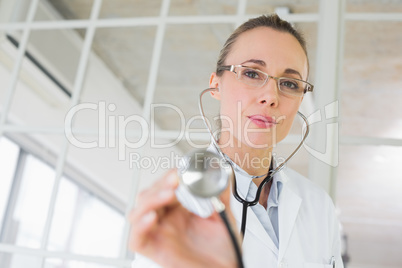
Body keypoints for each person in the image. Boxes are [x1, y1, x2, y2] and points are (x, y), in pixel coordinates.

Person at [129, 14, 344, 268]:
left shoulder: (319, 205)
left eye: (289, 83)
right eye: (252, 73)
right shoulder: (177, 207)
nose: (271, 96)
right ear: (216, 85)